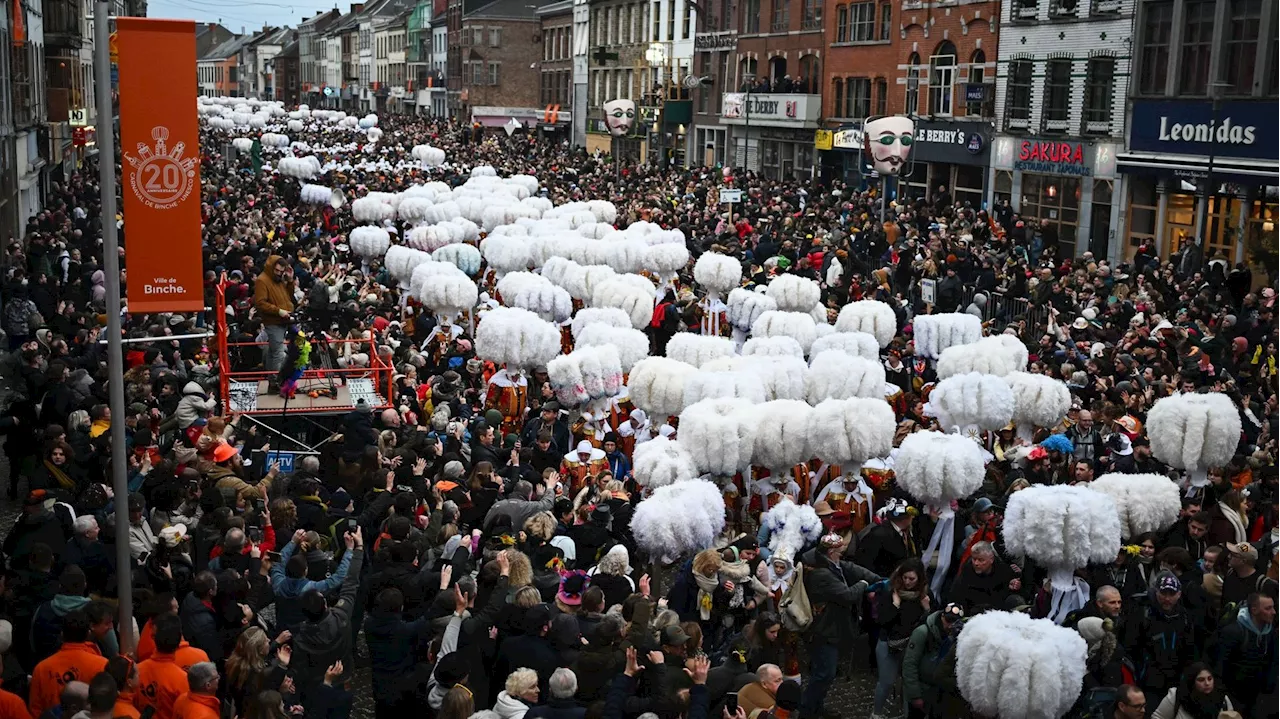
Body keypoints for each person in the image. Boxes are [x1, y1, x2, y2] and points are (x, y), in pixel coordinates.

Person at [798, 534, 880, 719]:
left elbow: (852, 568)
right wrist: (864, 584)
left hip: (831, 628)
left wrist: (880, 579)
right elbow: (848, 595)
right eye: (840, 552)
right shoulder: (821, 574)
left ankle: (816, 708)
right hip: (823, 631)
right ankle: (806, 711)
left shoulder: (829, 564)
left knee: (826, 673)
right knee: (823, 674)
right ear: (831, 552)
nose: (842, 556)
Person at [288, 527, 364, 705]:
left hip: (315, 684)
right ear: (324, 605)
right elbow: (350, 582)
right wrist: (357, 549)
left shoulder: (300, 638)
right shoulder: (341, 617)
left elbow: (300, 668)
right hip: (341, 679)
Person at [27, 610, 106, 717]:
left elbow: (35, 710)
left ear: (62, 634)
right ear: (88, 633)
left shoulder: (41, 668)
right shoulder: (102, 665)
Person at [902, 602, 965, 719]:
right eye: (948, 620)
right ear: (942, 616)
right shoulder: (922, 632)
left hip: (939, 693)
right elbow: (909, 664)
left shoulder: (956, 636)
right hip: (922, 688)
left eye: (954, 622)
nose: (951, 625)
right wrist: (915, 695)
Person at [254, 255, 296, 375]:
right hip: (273, 321)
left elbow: (289, 296)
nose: (279, 273)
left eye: (281, 271)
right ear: (271, 267)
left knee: (274, 353)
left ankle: (273, 382)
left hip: (283, 320)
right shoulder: (262, 280)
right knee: (278, 353)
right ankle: (276, 381)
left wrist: (290, 281)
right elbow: (260, 303)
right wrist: (279, 311)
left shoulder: (279, 280)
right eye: (277, 270)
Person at [1150, 663, 1235, 719]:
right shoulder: (1176, 696)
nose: (1207, 683)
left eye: (1210, 678)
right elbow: (1157, 717)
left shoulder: (1223, 699)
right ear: (1192, 682)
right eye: (1201, 680)